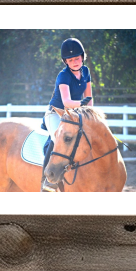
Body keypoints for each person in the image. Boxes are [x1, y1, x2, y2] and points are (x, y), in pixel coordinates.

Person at [41, 38, 93, 192]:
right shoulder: (63, 76)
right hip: (56, 113)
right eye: (71, 60)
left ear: (82, 57)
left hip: (75, 112)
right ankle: (48, 181)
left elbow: (89, 98)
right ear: (66, 62)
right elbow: (67, 102)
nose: (75, 62)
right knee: (58, 139)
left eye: (77, 58)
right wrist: (83, 104)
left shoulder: (86, 71)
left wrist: (90, 115)